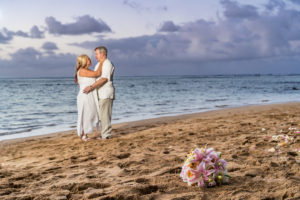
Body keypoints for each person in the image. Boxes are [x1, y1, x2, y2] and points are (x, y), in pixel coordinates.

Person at [83, 46, 115, 140]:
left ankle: (106, 135)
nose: (95, 55)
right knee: (101, 115)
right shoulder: (99, 64)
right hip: (99, 93)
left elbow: (104, 79)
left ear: (102, 54)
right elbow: (95, 76)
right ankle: (104, 134)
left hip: (106, 92)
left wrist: (91, 87)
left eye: (96, 53)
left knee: (105, 115)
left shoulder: (107, 64)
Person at [75, 54, 103, 141]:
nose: (90, 60)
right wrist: (102, 62)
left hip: (90, 94)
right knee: (86, 114)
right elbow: (97, 73)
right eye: (87, 59)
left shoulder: (87, 70)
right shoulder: (82, 70)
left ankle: (85, 133)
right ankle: (83, 134)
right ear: (84, 61)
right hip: (85, 95)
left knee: (90, 113)